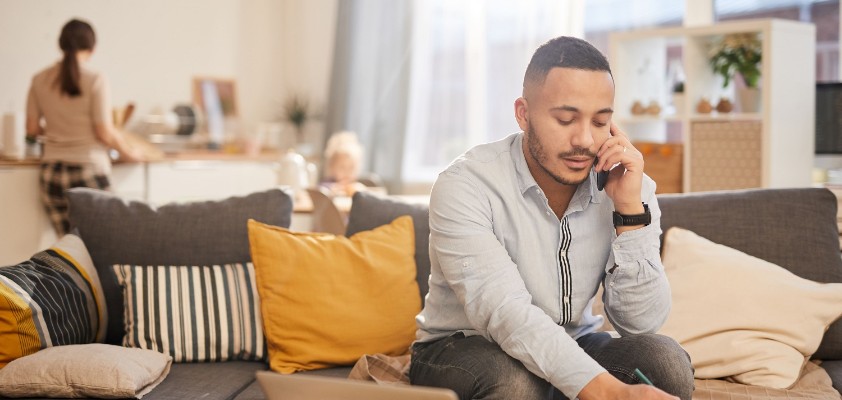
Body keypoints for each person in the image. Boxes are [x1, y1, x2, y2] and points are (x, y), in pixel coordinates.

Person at [410, 36, 694, 400]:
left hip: (572, 342)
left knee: (665, 362)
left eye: (600, 121)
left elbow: (642, 324)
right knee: (516, 384)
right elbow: (505, 313)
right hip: (462, 348)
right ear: (523, 113)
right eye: (565, 119)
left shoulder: (630, 188)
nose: (585, 140)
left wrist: (629, 212)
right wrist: (610, 392)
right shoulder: (466, 185)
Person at [26, 19, 144, 236]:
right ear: (92, 48)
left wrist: (58, 129)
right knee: (110, 243)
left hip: (51, 174)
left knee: (71, 249)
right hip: (88, 171)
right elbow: (104, 131)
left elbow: (32, 129)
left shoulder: (39, 79)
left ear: (61, 44)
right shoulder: (95, 79)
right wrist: (131, 153)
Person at [321, 131, 368, 197]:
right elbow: (319, 192)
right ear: (332, 167)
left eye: (351, 167)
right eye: (342, 167)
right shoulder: (327, 185)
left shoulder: (356, 186)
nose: (347, 172)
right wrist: (332, 190)